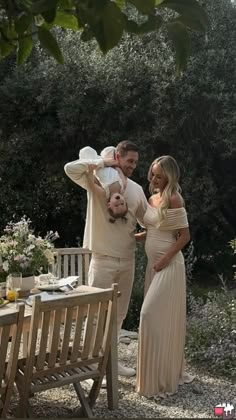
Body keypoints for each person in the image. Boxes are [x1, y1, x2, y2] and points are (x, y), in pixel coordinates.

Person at [64, 140, 147, 377]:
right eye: (130, 161)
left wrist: (154, 232)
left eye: (136, 162)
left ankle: (111, 361)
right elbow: (70, 168)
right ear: (118, 158)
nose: (133, 166)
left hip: (128, 260)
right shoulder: (97, 179)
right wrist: (103, 162)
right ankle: (89, 365)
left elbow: (147, 221)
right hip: (102, 259)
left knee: (118, 315)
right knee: (95, 314)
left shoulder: (137, 190)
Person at [135, 155, 194, 398]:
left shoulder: (173, 198)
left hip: (169, 267)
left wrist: (165, 259)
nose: (154, 179)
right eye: (153, 174)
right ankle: (155, 373)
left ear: (170, 176)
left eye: (159, 175)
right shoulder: (152, 198)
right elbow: (152, 231)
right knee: (157, 321)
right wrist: (132, 236)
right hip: (154, 266)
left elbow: (184, 236)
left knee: (148, 315)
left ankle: (161, 378)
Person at [79, 146, 128, 222]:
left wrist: (90, 172)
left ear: (109, 205)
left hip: (97, 165)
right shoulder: (123, 186)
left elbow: (92, 186)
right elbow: (120, 173)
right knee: (111, 150)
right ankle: (103, 156)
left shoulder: (104, 193)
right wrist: (116, 166)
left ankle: (94, 157)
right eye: (122, 203)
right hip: (110, 163)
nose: (119, 202)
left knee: (86, 151)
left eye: (116, 205)